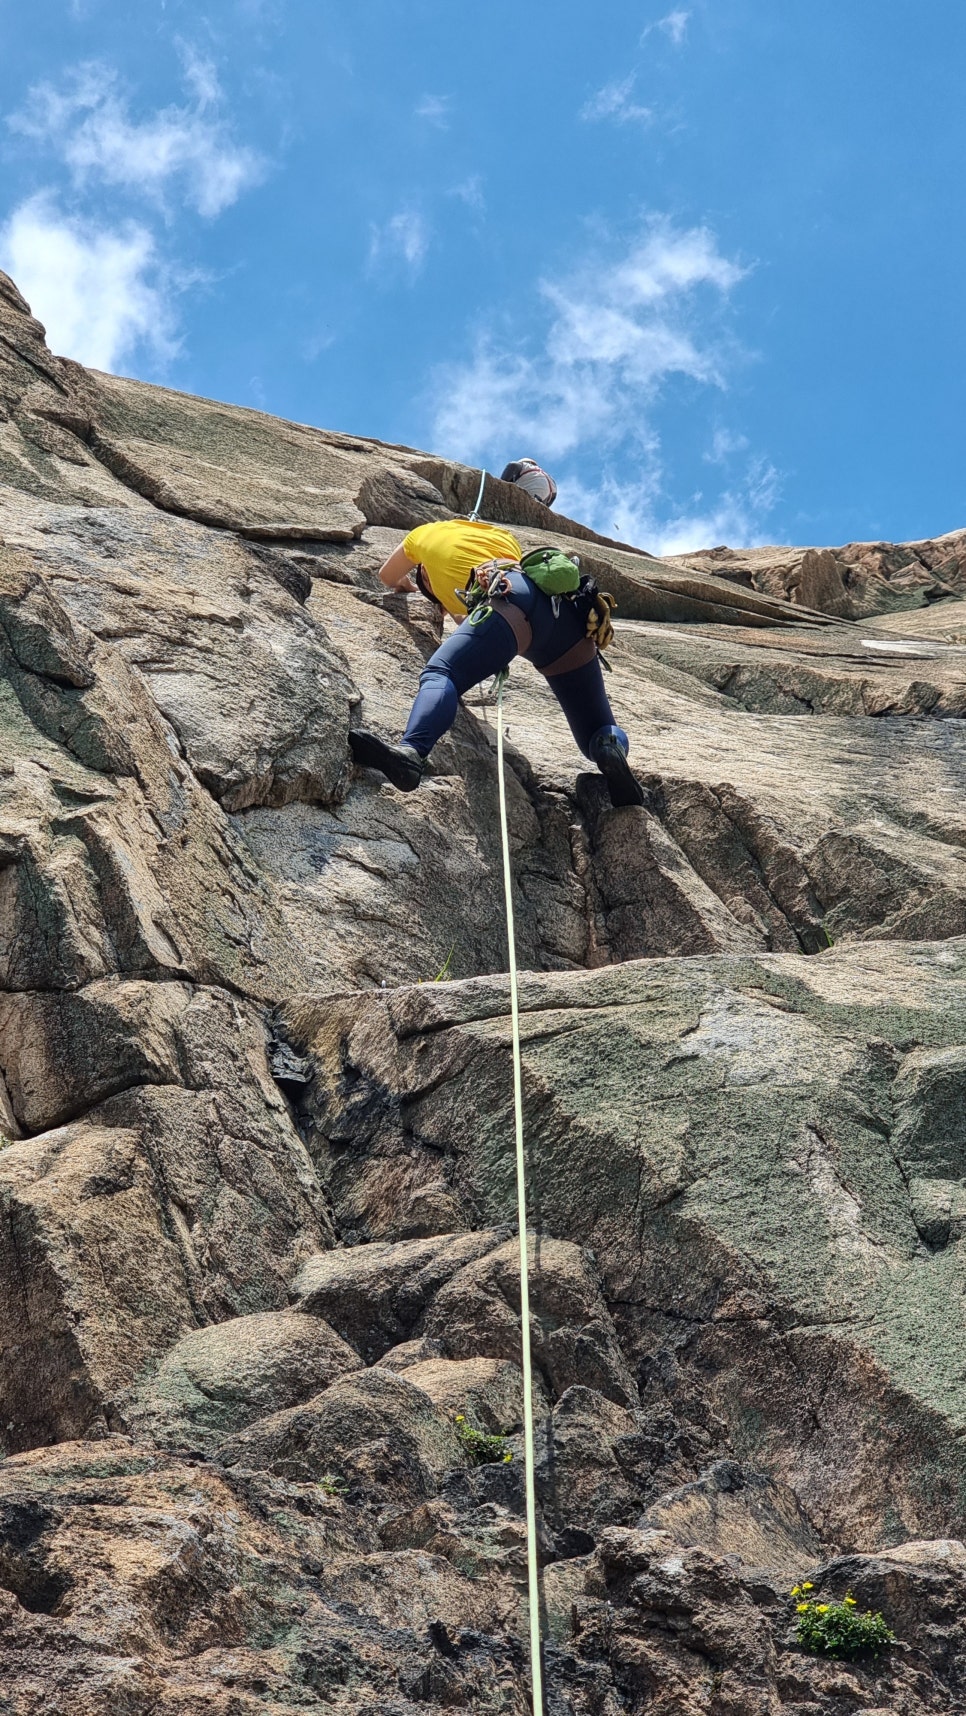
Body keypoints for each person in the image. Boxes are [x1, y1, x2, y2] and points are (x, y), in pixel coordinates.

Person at [348, 468, 644, 808]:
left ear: (424, 575)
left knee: (442, 673)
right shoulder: (503, 538)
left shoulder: (423, 536)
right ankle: (610, 750)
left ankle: (412, 753)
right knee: (596, 728)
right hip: (566, 618)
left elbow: (387, 575)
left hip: (509, 605)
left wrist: (410, 587)